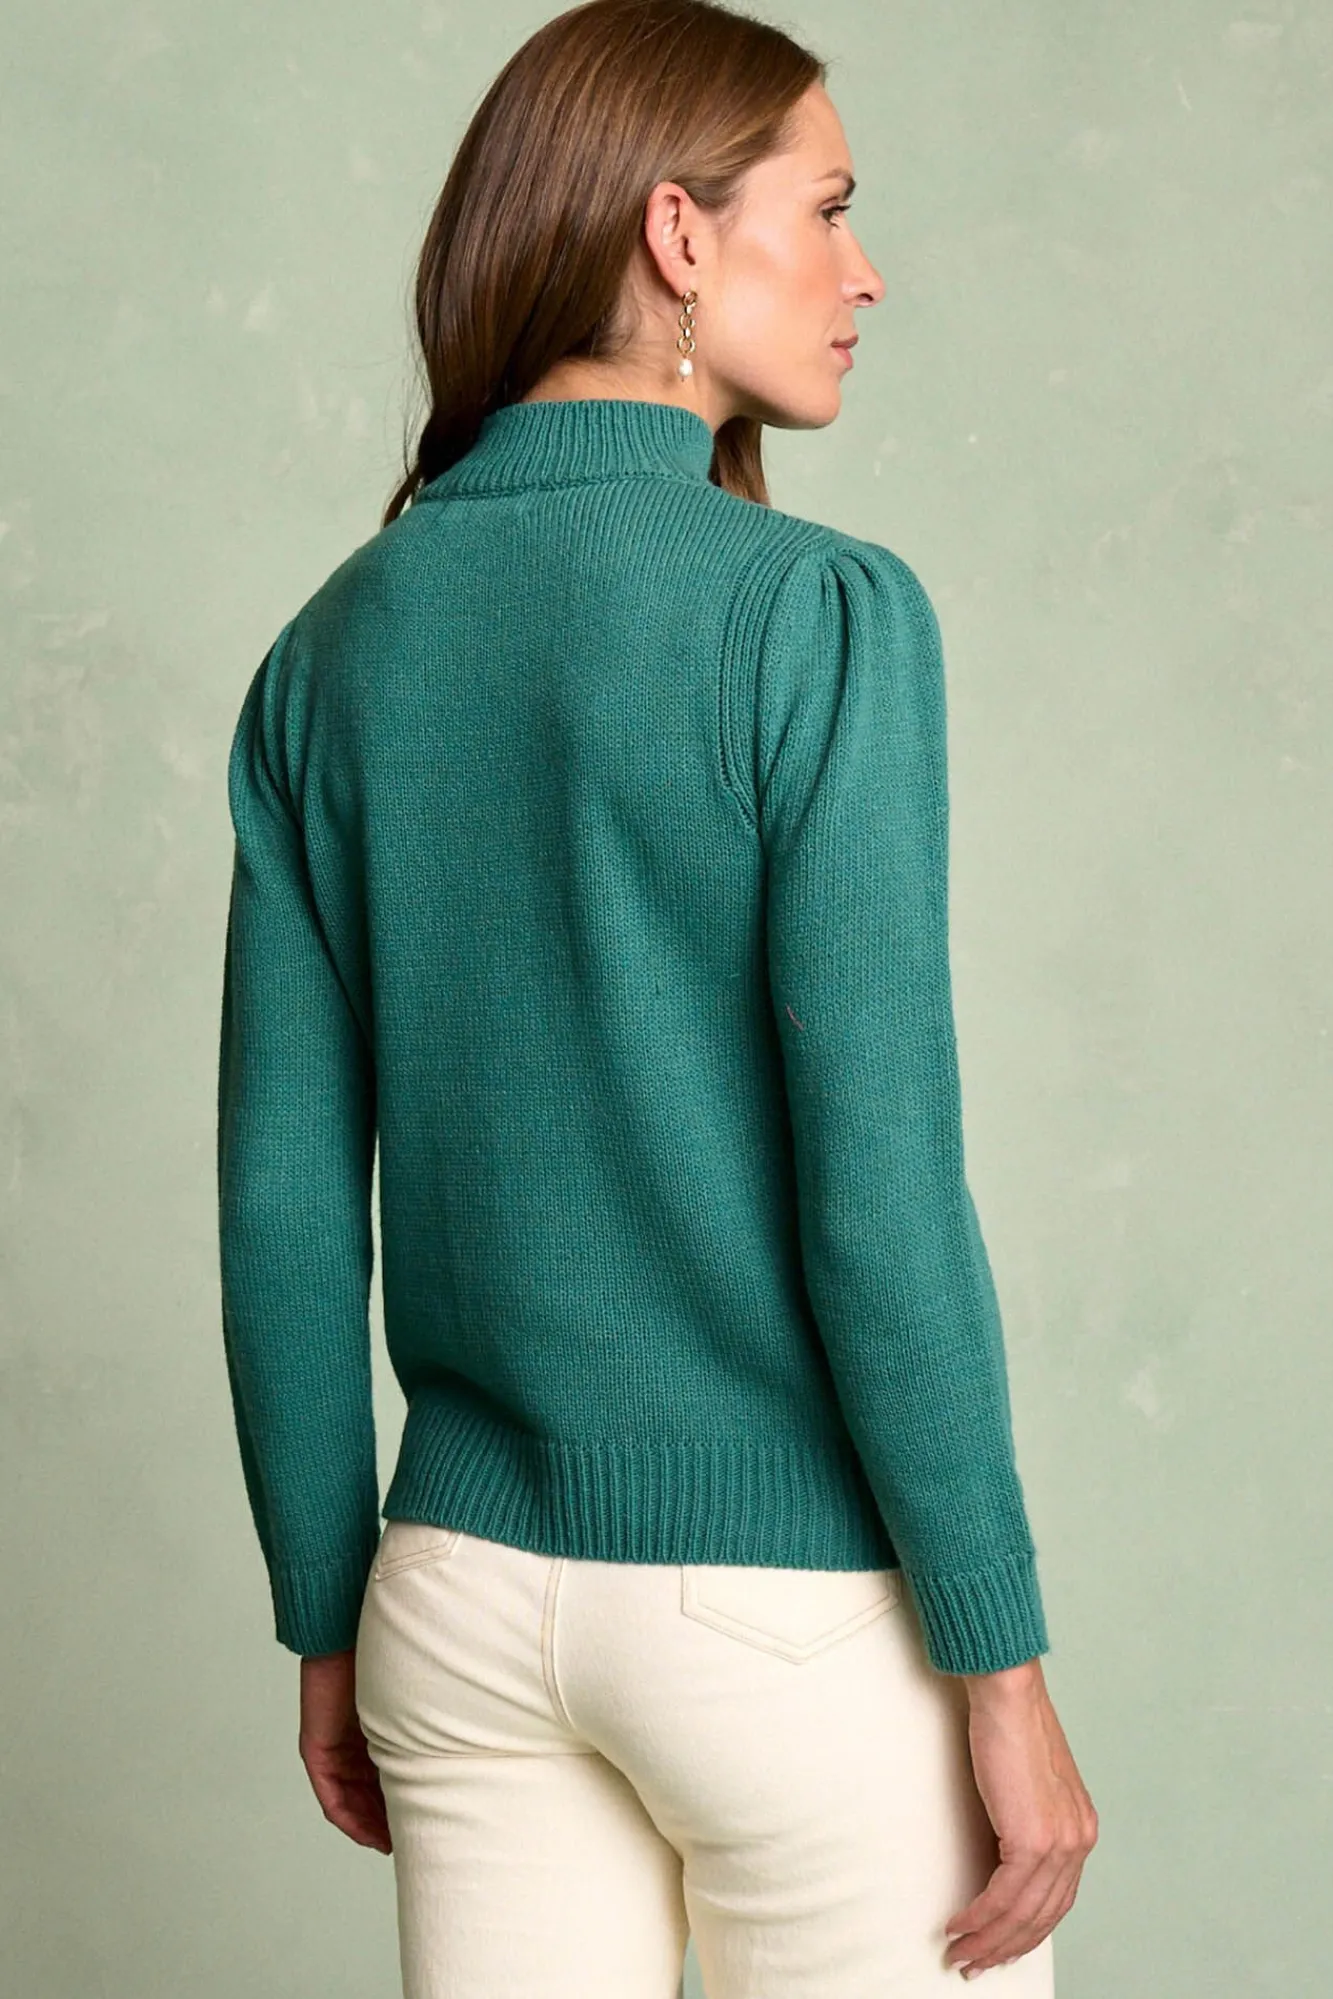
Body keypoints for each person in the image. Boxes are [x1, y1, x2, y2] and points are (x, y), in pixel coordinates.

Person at [215, 1, 1098, 1993]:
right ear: (679, 235)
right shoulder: (813, 614)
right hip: (780, 1617)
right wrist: (1002, 1662)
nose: (867, 273)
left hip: (454, 1607)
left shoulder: (326, 654)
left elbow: (283, 1207)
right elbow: (879, 1190)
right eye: (830, 209)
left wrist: (327, 1616)